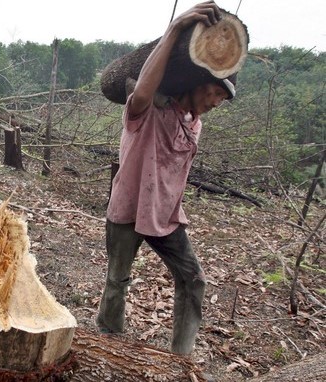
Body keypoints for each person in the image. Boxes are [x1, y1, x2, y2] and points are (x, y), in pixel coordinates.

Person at [96, 1, 238, 355]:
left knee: (193, 281)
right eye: (216, 92)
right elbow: (143, 90)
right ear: (197, 82)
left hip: (165, 219)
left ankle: (180, 359)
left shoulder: (195, 125)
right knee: (117, 281)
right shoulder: (148, 110)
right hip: (127, 210)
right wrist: (175, 29)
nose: (217, 102)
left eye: (223, 97)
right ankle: (107, 345)